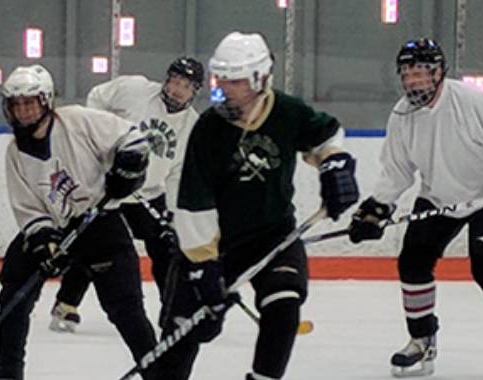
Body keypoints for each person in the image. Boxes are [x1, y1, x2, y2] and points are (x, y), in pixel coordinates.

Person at [154, 31, 360, 380]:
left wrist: (334, 163)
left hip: (273, 234)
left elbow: (326, 136)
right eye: (221, 79)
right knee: (190, 331)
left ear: (259, 79)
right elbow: (193, 204)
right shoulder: (208, 128)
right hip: (214, 244)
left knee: (284, 304)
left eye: (234, 81)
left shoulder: (286, 111)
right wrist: (204, 267)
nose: (223, 88)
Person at [348, 38, 483, 378]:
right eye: (408, 74)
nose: (415, 81)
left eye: (422, 73)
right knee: (413, 263)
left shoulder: (469, 101)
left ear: (439, 73)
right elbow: (397, 170)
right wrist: (377, 208)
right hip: (438, 197)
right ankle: (421, 340)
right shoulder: (402, 115)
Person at [0, 64, 158, 380]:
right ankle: (7, 374)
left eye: (30, 102)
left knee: (126, 309)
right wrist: (43, 241)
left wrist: (128, 168)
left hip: (101, 223)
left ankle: (161, 374)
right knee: (14, 292)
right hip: (56, 229)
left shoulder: (78, 121)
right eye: (17, 104)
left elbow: (133, 138)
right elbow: (29, 209)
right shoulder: (15, 152)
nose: (24, 111)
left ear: (45, 101)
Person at [48, 57, 208, 333]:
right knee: (98, 245)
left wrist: (172, 210)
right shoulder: (135, 89)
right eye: (175, 82)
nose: (178, 90)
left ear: (195, 91)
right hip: (112, 185)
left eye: (186, 86)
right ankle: (66, 304)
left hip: (148, 194)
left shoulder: (192, 126)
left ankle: (172, 311)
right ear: (166, 79)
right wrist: (95, 142)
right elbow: (97, 97)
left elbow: (178, 171)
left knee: (167, 249)